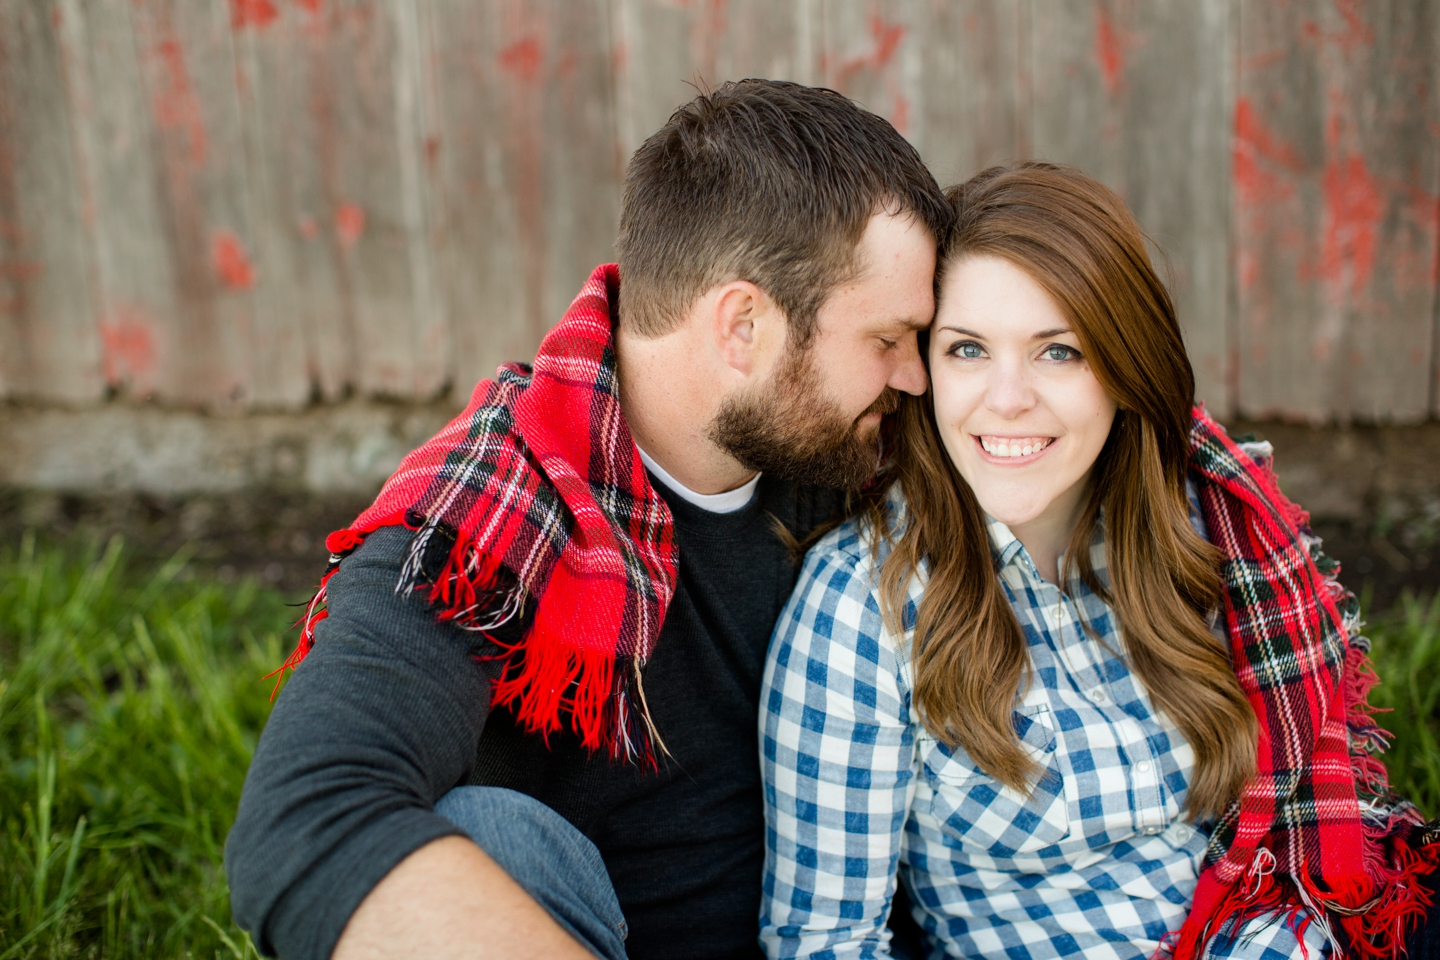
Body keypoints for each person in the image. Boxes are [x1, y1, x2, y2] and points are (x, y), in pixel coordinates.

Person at [224, 79, 952, 960]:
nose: (917, 377)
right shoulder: (489, 516)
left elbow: (1089, 433)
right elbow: (308, 817)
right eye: (887, 340)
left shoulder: (850, 450)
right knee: (489, 835)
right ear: (744, 326)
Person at [760, 162, 1440, 960]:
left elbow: (1284, 816)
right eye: (969, 349)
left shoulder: (1194, 524)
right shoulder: (863, 605)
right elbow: (825, 943)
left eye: (1059, 353)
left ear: (1124, 368)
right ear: (924, 369)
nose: (1007, 398)